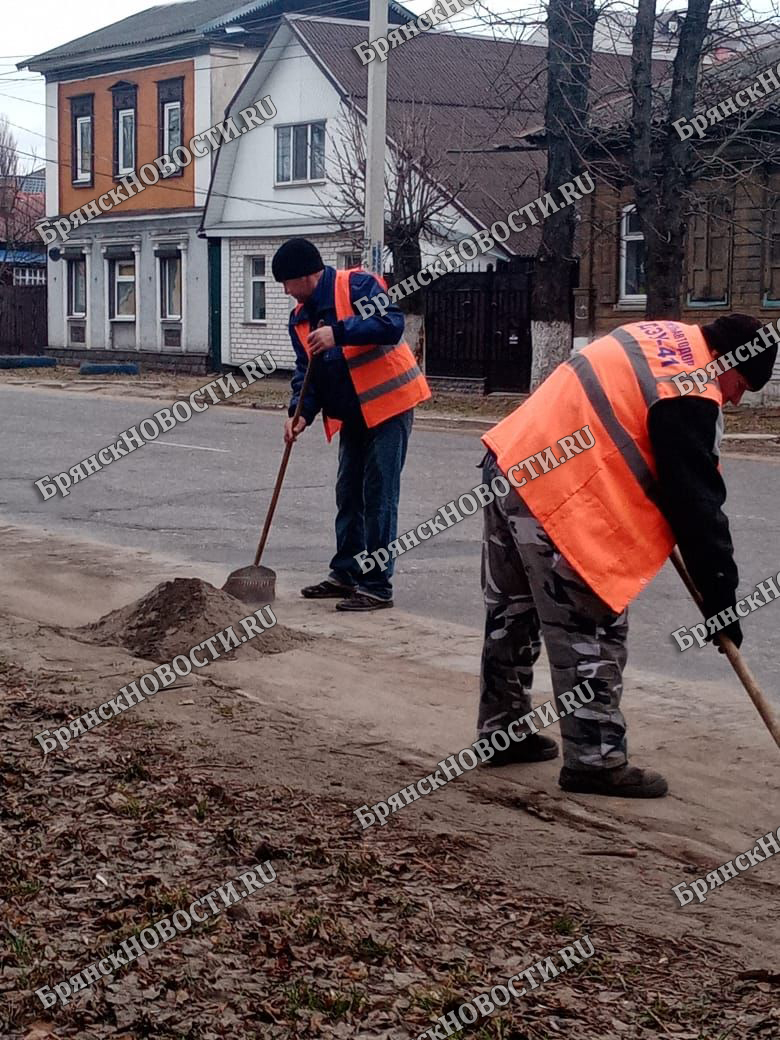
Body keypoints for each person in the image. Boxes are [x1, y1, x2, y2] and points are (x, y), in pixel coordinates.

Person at [477, 314, 777, 797]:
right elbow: (697, 504)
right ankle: (594, 761)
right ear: (729, 360)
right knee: (591, 626)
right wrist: (722, 597)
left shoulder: (658, 336)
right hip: (557, 494)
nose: (737, 399)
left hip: (511, 460)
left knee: (513, 611)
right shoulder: (691, 389)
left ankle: (501, 732)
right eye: (741, 383)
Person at [272, 238, 430, 611]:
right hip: (353, 412)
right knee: (348, 493)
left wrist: (338, 333)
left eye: (288, 282)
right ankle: (345, 573)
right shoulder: (301, 317)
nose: (285, 290)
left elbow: (391, 324)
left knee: (378, 495)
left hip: (389, 406)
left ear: (308, 276)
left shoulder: (357, 285)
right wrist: (300, 414)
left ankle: (376, 585)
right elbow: (306, 373)